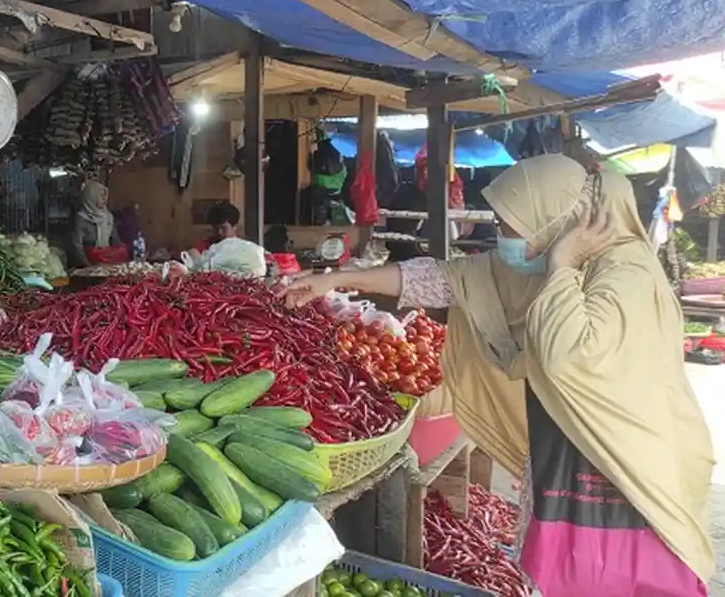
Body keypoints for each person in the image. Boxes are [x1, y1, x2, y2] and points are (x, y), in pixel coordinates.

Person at [282, 154, 713, 596]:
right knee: (558, 573)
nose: (501, 237)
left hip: (619, 468)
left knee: (612, 579)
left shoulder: (624, 273)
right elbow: (450, 279)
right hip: (563, 451)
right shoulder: (552, 257)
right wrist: (333, 280)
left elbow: (567, 359)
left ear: (556, 220)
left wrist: (563, 265)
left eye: (510, 226)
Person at [69, 181, 119, 268]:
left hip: (105, 262)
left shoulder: (108, 217)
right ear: (91, 197)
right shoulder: (82, 218)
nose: (104, 199)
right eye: (101, 196)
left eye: (105, 195)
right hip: (87, 264)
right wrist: (88, 266)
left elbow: (115, 239)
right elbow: (77, 245)